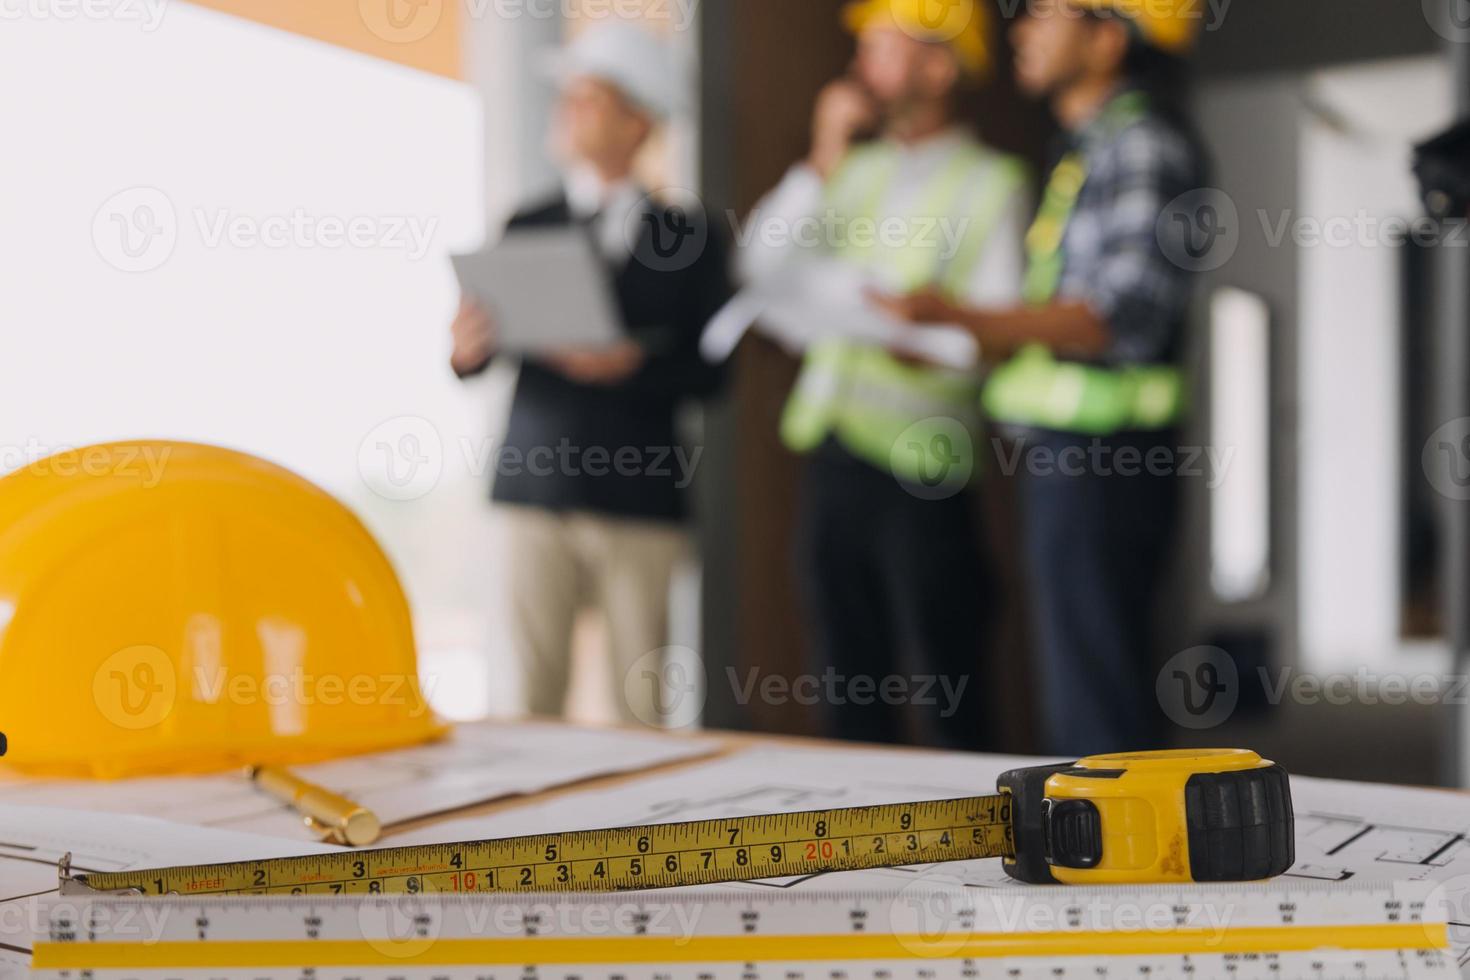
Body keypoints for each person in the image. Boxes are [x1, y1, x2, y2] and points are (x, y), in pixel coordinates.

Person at [874, 0, 1207, 755]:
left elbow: (1109, 316)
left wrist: (963, 317)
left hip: (1106, 458)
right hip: (1072, 455)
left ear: (1108, 35)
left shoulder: (1142, 146)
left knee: (1099, 693)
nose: (1020, 30)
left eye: (1044, 13)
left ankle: (1122, 864)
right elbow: (1064, 316)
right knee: (1082, 684)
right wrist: (955, 337)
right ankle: (1106, 850)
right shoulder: (1089, 149)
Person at [740, 0, 1028, 751]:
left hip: (925, 472)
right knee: (845, 682)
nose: (861, 64)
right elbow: (760, 266)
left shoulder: (991, 182)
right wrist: (822, 154)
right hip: (834, 456)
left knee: (947, 681)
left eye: (881, 47)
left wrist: (928, 338)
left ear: (938, 67)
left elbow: (1001, 334)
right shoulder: (851, 171)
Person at [450, 23, 729, 726]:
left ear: (638, 121)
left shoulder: (689, 237)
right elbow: (478, 355)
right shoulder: (528, 222)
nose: (568, 112)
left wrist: (634, 365)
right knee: (532, 697)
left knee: (639, 704)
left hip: (639, 496)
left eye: (590, 98)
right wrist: (465, 348)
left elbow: (713, 373)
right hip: (535, 485)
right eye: (567, 97)